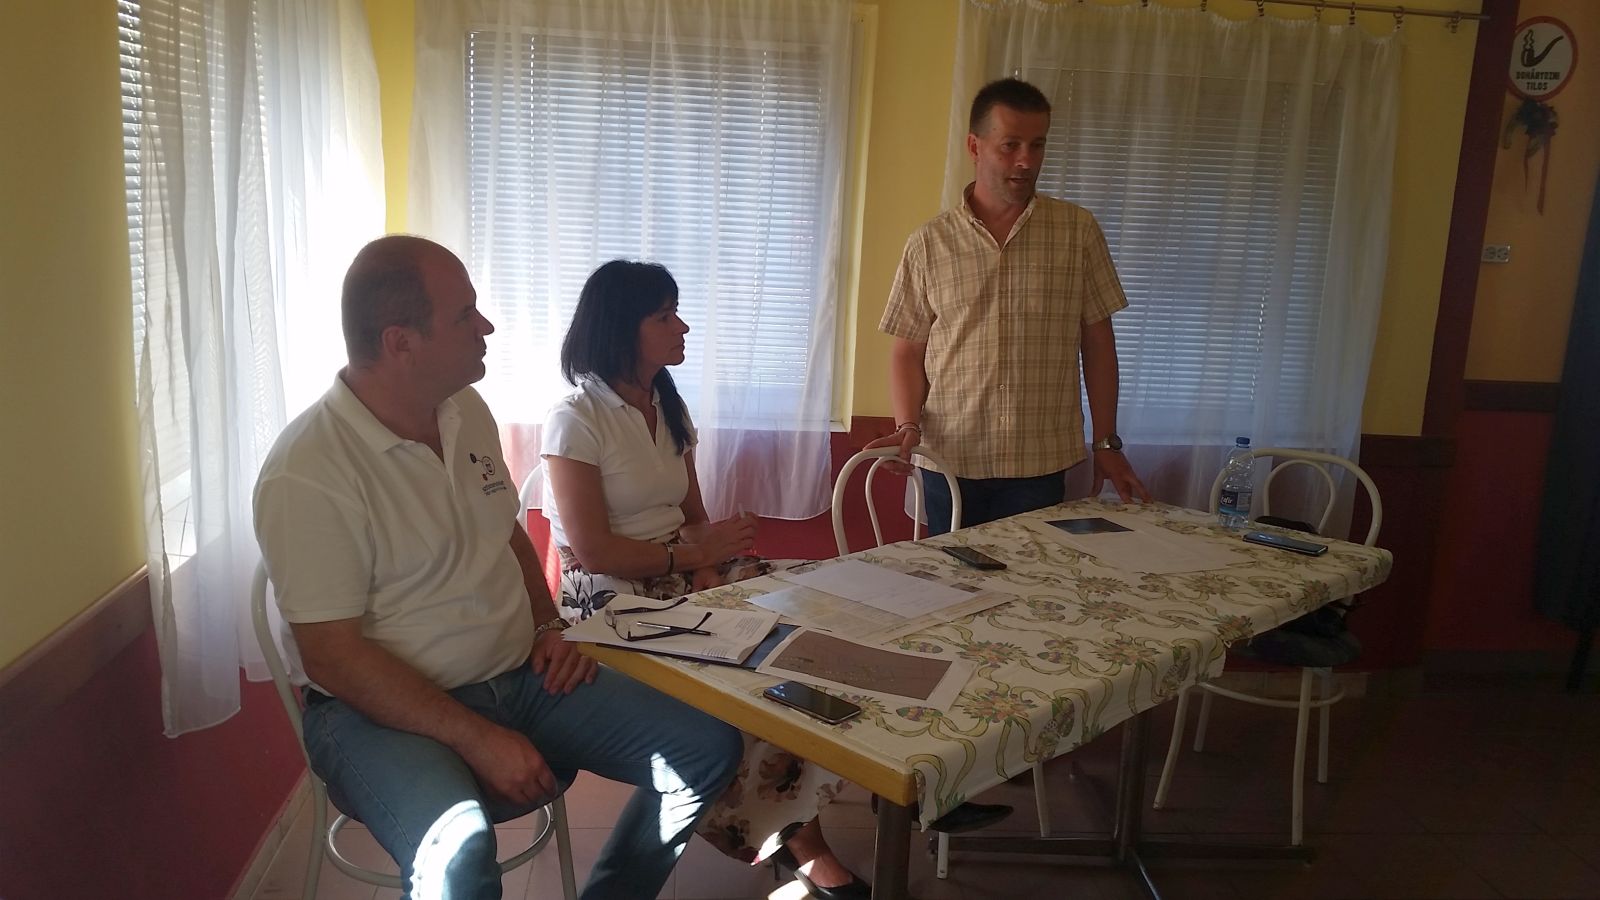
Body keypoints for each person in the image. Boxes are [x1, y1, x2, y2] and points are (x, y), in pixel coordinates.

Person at [252, 236, 744, 900]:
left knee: (707, 749)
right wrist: (477, 737)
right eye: (466, 314)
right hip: (374, 712)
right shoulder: (309, 471)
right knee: (458, 852)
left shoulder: (464, 410)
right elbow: (333, 657)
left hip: (517, 674)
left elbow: (506, 533)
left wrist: (549, 625)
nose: (486, 326)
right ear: (401, 343)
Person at [540, 260, 870, 899]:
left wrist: (712, 574)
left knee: (813, 627)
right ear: (621, 328)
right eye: (664, 316)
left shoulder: (666, 404)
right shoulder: (576, 417)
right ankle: (802, 844)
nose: (682, 327)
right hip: (607, 597)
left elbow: (693, 514)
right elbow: (594, 549)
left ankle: (795, 825)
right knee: (741, 678)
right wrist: (690, 560)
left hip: (677, 572)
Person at [867, 77, 1152, 532]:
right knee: (954, 576)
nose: (1026, 160)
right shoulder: (929, 243)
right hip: (950, 460)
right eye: (1010, 145)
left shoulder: (1077, 232)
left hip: (1038, 463)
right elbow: (908, 350)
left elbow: (1098, 345)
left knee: (1033, 575)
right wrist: (907, 427)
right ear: (974, 146)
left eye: (1037, 145)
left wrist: (1106, 442)